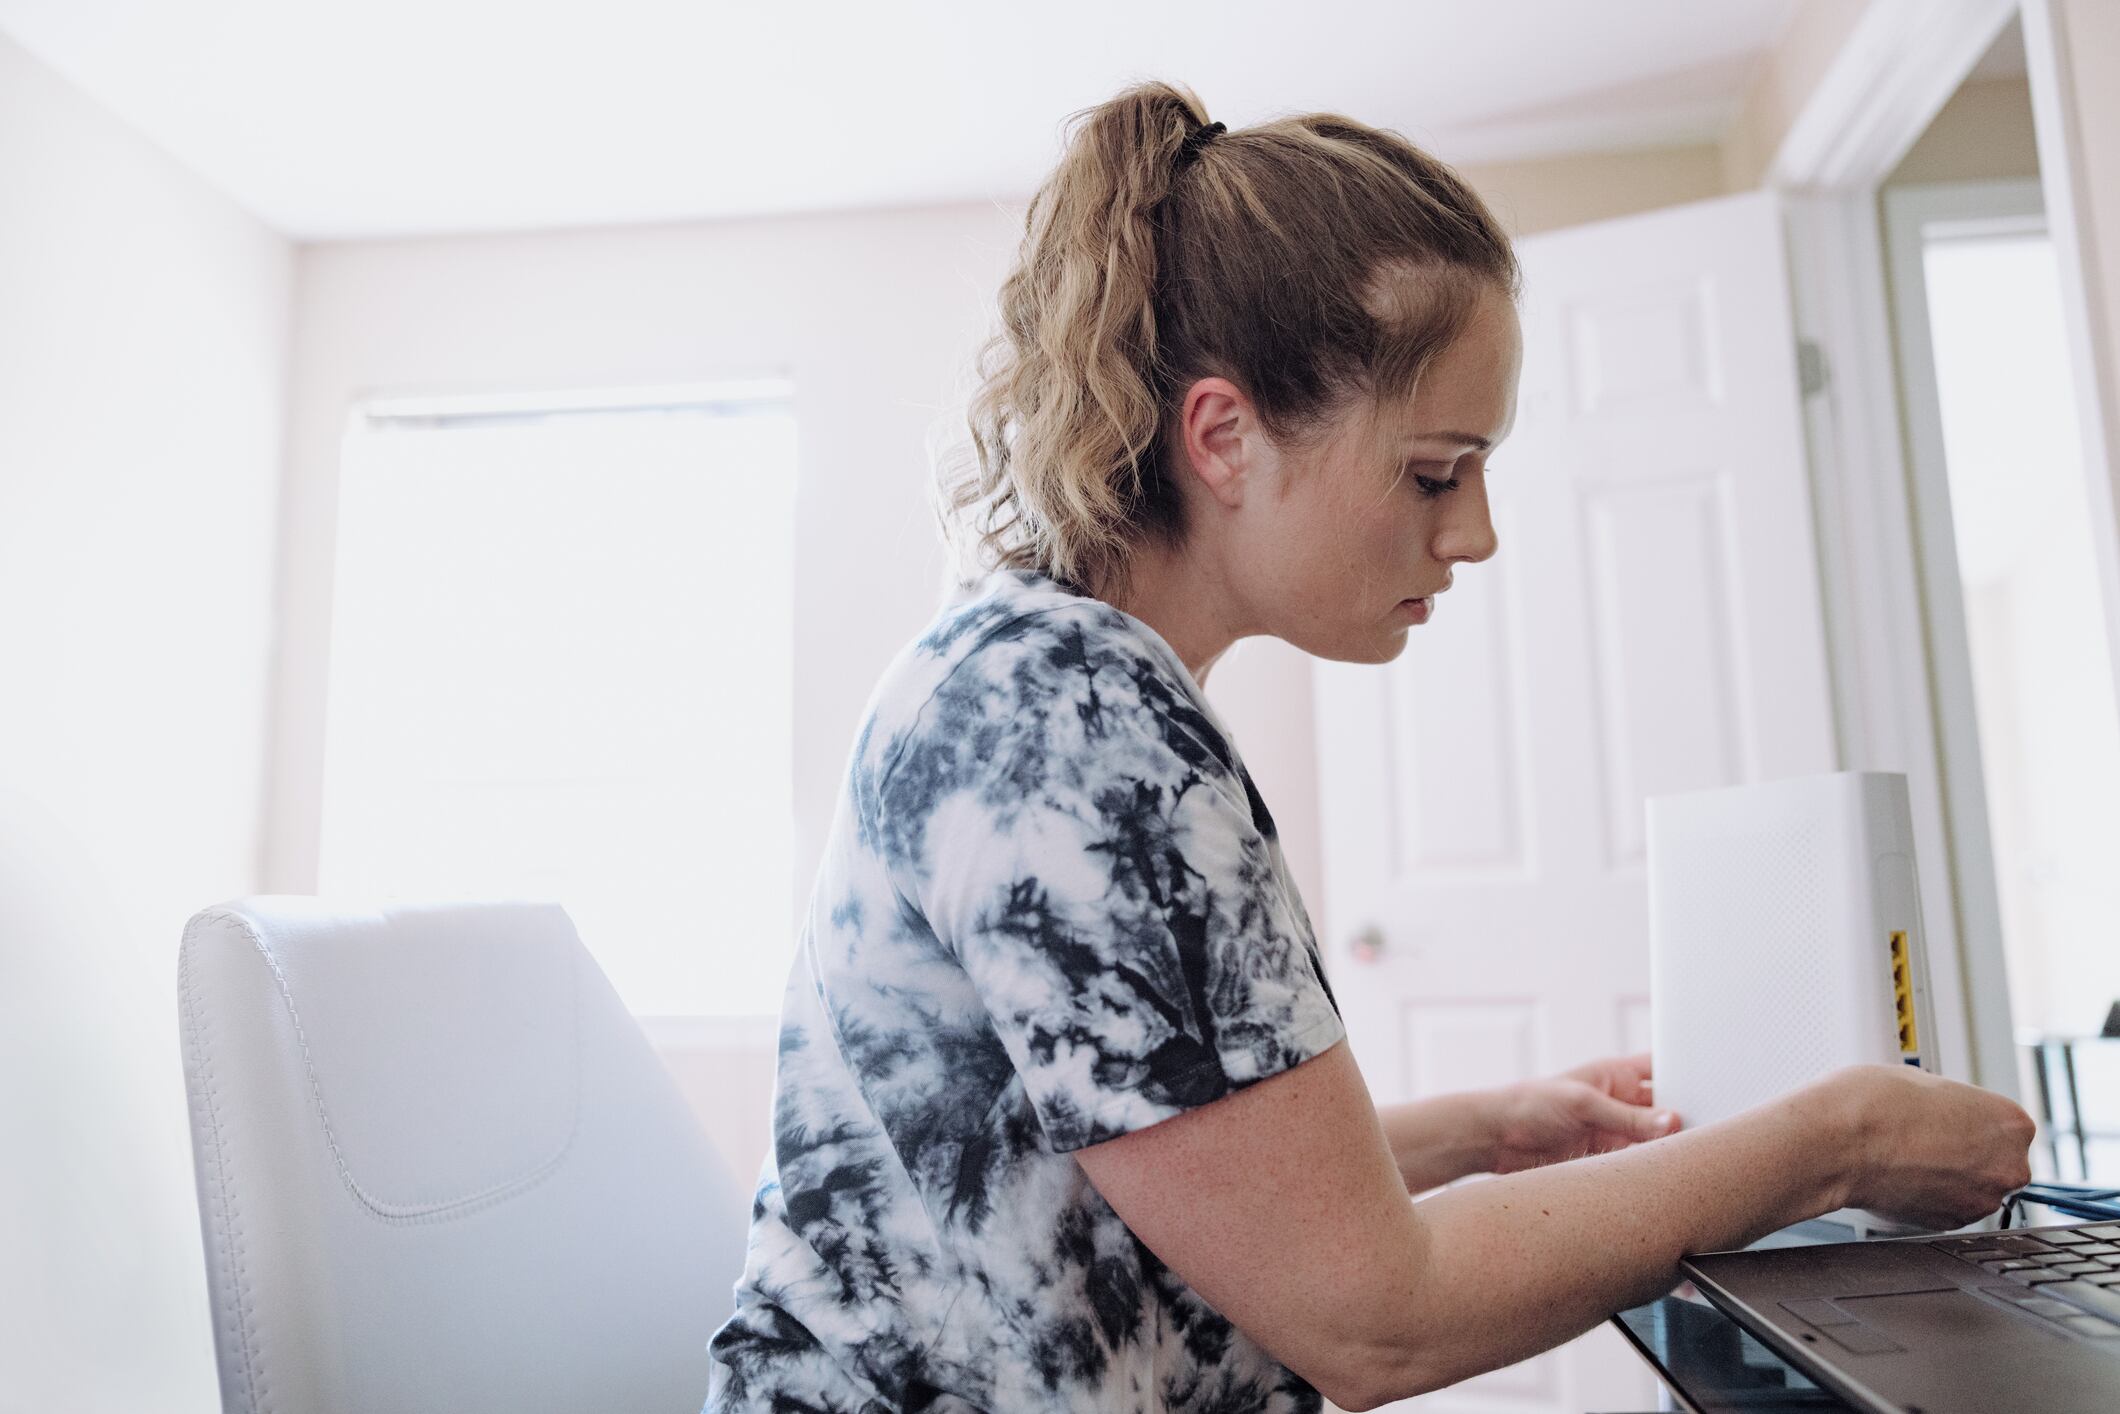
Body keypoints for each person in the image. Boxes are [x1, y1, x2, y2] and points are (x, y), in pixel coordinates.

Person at [702, 79, 2036, 1414]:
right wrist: (1842, 1140)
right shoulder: (1082, 728)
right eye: (1434, 471)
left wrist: (1487, 1133)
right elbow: (1376, 1319)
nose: (1476, 533)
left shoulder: (1043, 675)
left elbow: (1150, 1172)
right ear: (1224, 437)